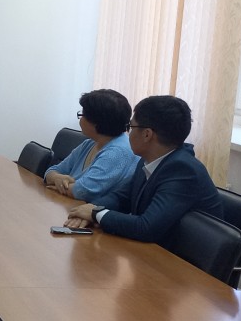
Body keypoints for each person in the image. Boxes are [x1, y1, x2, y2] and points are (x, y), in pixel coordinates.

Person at [66, 95, 223, 242]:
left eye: (131, 127)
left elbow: (146, 227)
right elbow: (121, 197)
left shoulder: (183, 170)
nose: (128, 133)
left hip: (180, 259)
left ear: (147, 134)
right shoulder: (149, 159)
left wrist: (96, 214)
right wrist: (91, 208)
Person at [43, 89, 139, 207]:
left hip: (93, 214)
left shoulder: (118, 152)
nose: (80, 119)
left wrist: (59, 185)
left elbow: (84, 191)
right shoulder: (89, 143)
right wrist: (57, 178)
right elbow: (52, 171)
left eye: (82, 115)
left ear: (97, 122)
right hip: (71, 206)